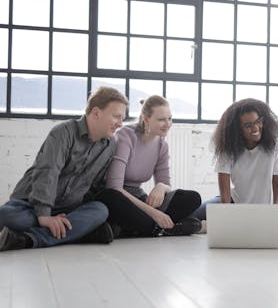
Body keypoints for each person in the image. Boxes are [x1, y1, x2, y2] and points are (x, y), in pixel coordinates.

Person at [0, 87, 129, 252]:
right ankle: (77, 233)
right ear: (96, 113)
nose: (120, 123)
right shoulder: (63, 132)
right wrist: (44, 215)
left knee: (100, 211)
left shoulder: (110, 145)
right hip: (30, 203)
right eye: (116, 116)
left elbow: (95, 186)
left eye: (122, 118)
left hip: (67, 209)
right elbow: (47, 172)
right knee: (7, 216)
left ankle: (26, 239)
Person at [97, 95, 202, 238]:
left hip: (139, 198)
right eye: (161, 119)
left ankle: (133, 228)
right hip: (118, 197)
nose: (168, 124)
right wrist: (155, 213)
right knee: (113, 198)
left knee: (192, 198)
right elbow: (114, 187)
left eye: (170, 118)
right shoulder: (125, 137)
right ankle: (163, 228)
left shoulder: (161, 145)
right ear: (146, 119)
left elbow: (167, 185)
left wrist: (160, 187)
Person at [191, 98, 278, 235]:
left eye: (258, 122)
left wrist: (273, 212)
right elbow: (224, 184)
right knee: (193, 215)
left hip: (264, 208)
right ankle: (224, 225)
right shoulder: (228, 148)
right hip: (234, 202)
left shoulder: (274, 146)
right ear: (237, 129)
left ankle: (219, 226)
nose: (256, 128)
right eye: (248, 125)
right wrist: (227, 213)